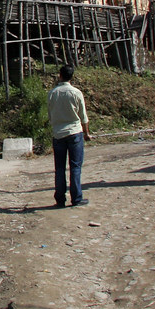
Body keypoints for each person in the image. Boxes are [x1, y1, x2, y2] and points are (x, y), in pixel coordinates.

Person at [47, 64, 92, 207]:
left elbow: (50, 115)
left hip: (58, 134)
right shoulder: (76, 93)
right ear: (72, 77)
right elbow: (83, 117)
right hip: (74, 132)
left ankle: (60, 200)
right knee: (75, 167)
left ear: (60, 75)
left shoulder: (52, 93)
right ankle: (76, 198)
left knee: (59, 168)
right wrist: (87, 133)